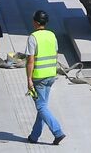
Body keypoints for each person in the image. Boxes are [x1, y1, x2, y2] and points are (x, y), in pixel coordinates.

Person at [25, 9, 65, 145]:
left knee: (41, 107)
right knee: (43, 107)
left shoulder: (33, 37)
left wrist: (29, 79)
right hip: (50, 76)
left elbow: (30, 60)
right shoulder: (52, 35)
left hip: (39, 78)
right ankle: (34, 136)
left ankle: (58, 131)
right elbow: (55, 52)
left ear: (35, 22)